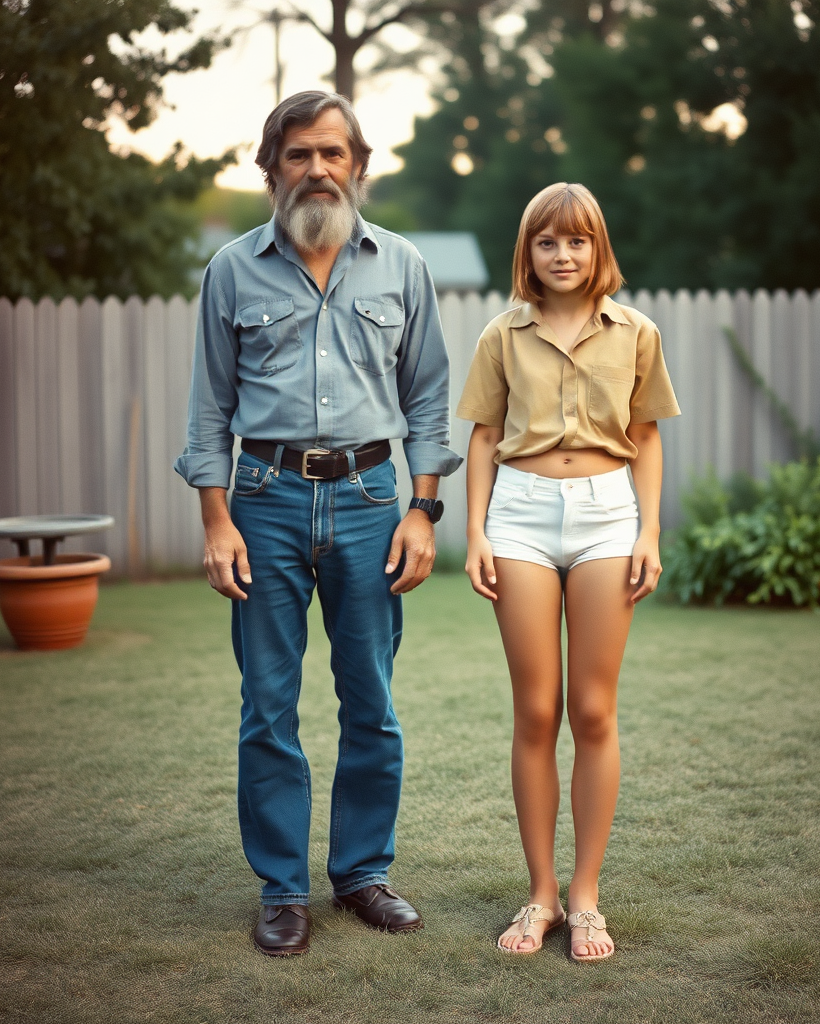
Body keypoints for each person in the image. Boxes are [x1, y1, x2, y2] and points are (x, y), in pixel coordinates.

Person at [174, 91, 460, 956]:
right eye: (299, 154)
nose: (318, 168)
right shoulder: (232, 269)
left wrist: (423, 508)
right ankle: (284, 888)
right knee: (268, 703)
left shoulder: (402, 265)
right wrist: (218, 522)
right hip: (264, 499)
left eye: (334, 153)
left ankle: (364, 873)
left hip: (377, 501)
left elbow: (430, 397)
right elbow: (207, 411)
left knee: (370, 698)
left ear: (358, 165)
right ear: (272, 170)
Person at [457, 183, 680, 962]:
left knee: (592, 709)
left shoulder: (636, 331)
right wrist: (476, 530)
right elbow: (484, 436)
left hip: (606, 516)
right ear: (529, 252)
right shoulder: (502, 334)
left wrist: (649, 530)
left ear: (598, 249)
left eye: (577, 241)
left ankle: (586, 896)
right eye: (547, 242)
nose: (563, 255)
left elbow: (646, 437)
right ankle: (540, 895)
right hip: (517, 513)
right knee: (536, 709)